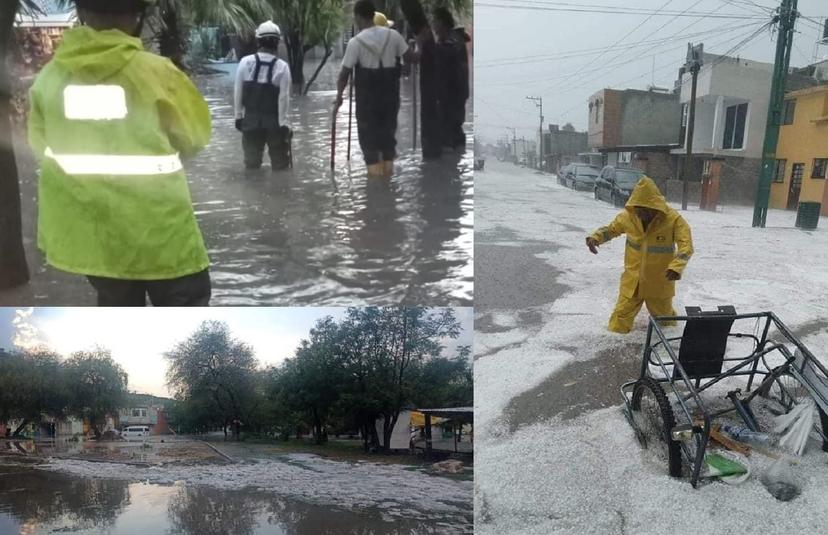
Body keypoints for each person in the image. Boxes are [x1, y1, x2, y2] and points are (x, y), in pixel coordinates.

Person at [27, 0, 212, 306]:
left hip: (97, 238)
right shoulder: (158, 73)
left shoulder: (48, 80)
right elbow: (195, 137)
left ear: (83, 15)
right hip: (163, 234)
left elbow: (39, 147)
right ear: (137, 17)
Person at [586, 177, 693, 333]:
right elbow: (611, 229)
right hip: (632, 282)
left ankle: (670, 346)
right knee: (620, 317)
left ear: (654, 206)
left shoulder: (673, 220)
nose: (640, 213)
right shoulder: (628, 217)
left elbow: (686, 245)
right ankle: (615, 342)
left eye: (644, 210)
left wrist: (676, 267)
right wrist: (595, 238)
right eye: (637, 209)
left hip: (659, 282)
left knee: (665, 322)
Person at [335, 0, 409, 178]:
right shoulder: (394, 36)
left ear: (358, 17)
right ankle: (388, 181)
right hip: (390, 99)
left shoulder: (356, 42)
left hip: (367, 102)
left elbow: (344, 74)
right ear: (373, 14)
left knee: (369, 141)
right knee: (388, 138)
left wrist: (339, 97)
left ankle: (376, 188)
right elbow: (409, 60)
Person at [234, 20, 292, 172]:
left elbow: (238, 91)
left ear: (258, 41)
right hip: (274, 122)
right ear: (276, 42)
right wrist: (283, 123)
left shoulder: (245, 62)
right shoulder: (282, 67)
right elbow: (283, 98)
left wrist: (238, 116)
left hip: (251, 121)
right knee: (280, 166)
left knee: (251, 165)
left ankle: (252, 193)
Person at [418, 7, 469, 158]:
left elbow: (444, 57)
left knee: (448, 136)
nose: (433, 25)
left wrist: (423, 45)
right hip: (451, 96)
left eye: (435, 21)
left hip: (451, 97)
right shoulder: (450, 40)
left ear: (442, 23)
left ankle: (450, 169)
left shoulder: (452, 42)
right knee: (453, 133)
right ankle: (454, 166)